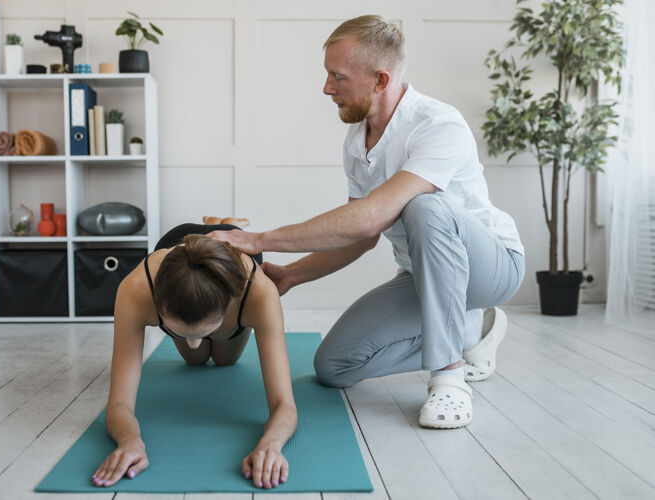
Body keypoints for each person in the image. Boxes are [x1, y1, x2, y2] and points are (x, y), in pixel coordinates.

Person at [210, 15, 525, 429]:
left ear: (380, 80)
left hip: (491, 269)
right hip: (421, 277)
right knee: (334, 367)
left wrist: (259, 239)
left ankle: (449, 378)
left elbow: (371, 216)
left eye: (337, 76)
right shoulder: (358, 140)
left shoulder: (438, 125)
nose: (327, 88)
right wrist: (293, 274)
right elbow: (361, 237)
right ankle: (471, 333)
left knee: (423, 207)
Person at [92, 222, 297, 489]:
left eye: (204, 330)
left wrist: (271, 445)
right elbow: (118, 405)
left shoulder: (257, 292)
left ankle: (222, 222)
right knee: (195, 359)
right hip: (176, 242)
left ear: (231, 305)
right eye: (178, 332)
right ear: (157, 304)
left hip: (235, 252)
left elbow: (285, 405)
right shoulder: (136, 289)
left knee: (225, 360)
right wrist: (129, 440)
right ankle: (208, 227)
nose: (192, 343)